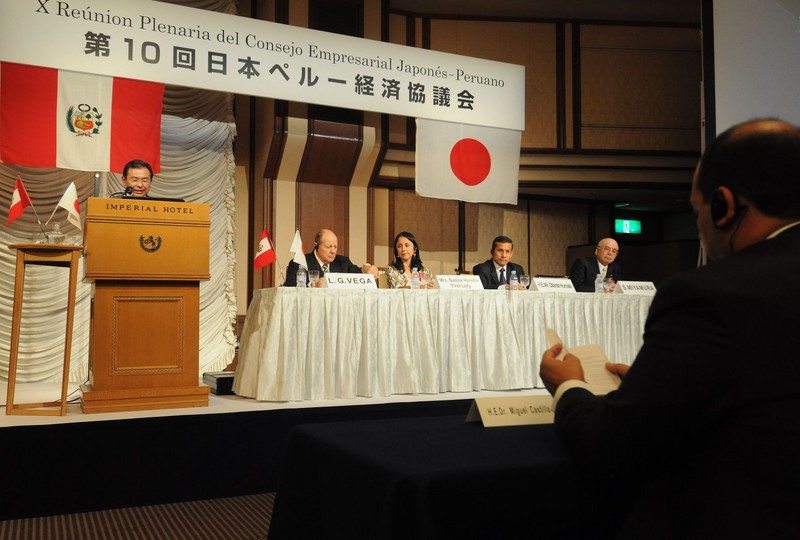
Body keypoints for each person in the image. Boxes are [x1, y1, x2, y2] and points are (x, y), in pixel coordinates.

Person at [539, 118, 800, 539]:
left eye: (696, 212)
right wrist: (658, 386)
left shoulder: (708, 294)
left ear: (723, 206)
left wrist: (570, 387)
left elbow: (611, 451)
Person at [284, 228, 378, 287]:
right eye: (329, 247)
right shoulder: (300, 263)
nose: (333, 251)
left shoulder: (342, 262)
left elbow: (358, 272)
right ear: (316, 245)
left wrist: (366, 268)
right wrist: (313, 285)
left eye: (335, 247)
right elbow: (290, 289)